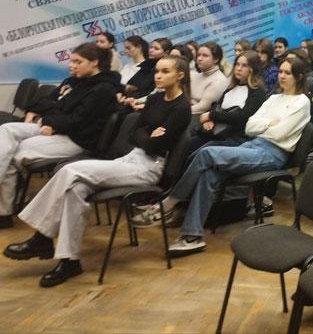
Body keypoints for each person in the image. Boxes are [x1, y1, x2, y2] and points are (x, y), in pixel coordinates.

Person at [3, 55, 191, 286]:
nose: (158, 76)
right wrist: (146, 134)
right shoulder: (154, 99)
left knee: (70, 171)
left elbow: (154, 146)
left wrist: (144, 135)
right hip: (131, 157)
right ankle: (70, 261)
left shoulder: (182, 108)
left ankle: (41, 237)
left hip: (148, 168)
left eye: (165, 72)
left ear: (179, 76)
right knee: (75, 189)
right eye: (157, 71)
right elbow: (134, 134)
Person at [146, 56, 310, 257]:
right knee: (209, 174)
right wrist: (270, 123)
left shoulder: (302, 102)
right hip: (252, 145)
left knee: (206, 153)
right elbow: (250, 127)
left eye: (287, 73)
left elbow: (280, 133)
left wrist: (265, 125)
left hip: (273, 154)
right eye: (281, 72)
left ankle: (170, 202)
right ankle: (192, 237)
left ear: (299, 77)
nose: (281, 76)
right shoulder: (274, 98)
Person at [0, 43, 119, 230]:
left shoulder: (104, 89)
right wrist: (46, 116)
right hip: (55, 128)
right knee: (6, 130)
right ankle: (4, 213)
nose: (71, 66)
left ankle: (4, 214)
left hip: (76, 140)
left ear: (94, 62)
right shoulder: (75, 81)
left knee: (12, 156)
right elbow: (50, 104)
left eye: (77, 62)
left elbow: (77, 120)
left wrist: (51, 120)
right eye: (71, 61)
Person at [180, 50, 267, 158]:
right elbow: (217, 106)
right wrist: (209, 120)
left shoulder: (257, 92)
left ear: (253, 69)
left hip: (234, 138)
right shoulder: (231, 88)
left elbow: (242, 117)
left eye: (244, 65)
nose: (239, 68)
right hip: (217, 132)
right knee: (185, 144)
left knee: (199, 153)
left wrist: (211, 115)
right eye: (237, 64)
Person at [189, 42, 229, 115]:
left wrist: (179, 111)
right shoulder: (195, 75)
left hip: (198, 118)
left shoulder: (219, 80)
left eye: (205, 55)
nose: (199, 59)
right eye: (198, 55)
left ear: (216, 59)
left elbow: (203, 108)